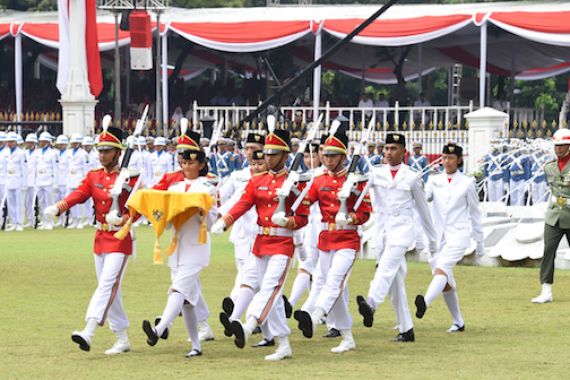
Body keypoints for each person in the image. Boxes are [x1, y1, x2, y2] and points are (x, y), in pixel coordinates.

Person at [212, 129, 310, 361]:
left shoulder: (295, 182)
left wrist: (287, 220)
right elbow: (243, 203)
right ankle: (283, 343)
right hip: (260, 242)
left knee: (270, 288)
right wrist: (225, 221)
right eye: (266, 153)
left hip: (282, 242)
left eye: (274, 154)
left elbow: (303, 217)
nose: (268, 158)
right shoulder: (258, 180)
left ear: (285, 155)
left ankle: (248, 325)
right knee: (266, 292)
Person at [43, 125, 137, 354]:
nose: (102, 155)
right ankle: (122, 337)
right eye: (100, 150)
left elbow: (140, 207)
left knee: (106, 284)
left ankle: (89, 329)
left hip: (120, 238)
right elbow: (79, 194)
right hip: (100, 237)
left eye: (107, 151)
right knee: (109, 289)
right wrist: (59, 207)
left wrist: (123, 216)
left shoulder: (129, 176)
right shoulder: (94, 176)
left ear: (117, 152)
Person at [141, 129, 218, 358]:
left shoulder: (207, 187)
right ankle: (196, 345)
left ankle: (159, 329)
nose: (186, 167)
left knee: (178, 289)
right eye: (183, 162)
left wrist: (203, 210)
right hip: (177, 246)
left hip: (196, 246)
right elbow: (164, 219)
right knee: (188, 301)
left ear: (201, 165)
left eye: (191, 163)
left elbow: (213, 221)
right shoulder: (174, 189)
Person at [294, 130, 371, 353]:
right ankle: (347, 337)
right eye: (325, 155)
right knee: (327, 283)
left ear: (343, 157)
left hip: (347, 237)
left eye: (332, 156)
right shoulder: (320, 179)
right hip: (326, 238)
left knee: (335, 280)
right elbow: (306, 203)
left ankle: (316, 315)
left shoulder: (355, 179)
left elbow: (366, 212)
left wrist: (350, 217)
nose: (327, 160)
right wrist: (292, 192)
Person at [356, 133, 436, 342]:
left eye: (393, 148)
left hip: (402, 231)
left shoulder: (411, 176)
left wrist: (432, 241)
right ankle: (406, 329)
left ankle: (371, 304)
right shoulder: (376, 173)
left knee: (386, 268)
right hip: (382, 232)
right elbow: (359, 192)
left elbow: (423, 210)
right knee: (395, 282)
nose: (388, 152)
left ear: (404, 152)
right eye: (386, 148)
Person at [414, 144, 484, 332]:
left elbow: (475, 213)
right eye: (444, 157)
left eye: (451, 158)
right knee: (445, 282)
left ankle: (425, 303)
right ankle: (458, 321)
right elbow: (424, 198)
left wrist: (480, 242)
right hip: (437, 237)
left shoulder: (467, 182)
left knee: (442, 269)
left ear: (459, 160)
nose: (447, 162)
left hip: (458, 235)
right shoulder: (434, 180)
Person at [532, 128, 570, 303]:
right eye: (556, 146)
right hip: (554, 214)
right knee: (548, 251)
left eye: (562, 146)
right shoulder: (549, 167)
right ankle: (546, 289)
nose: (558, 149)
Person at [66, 134, 88, 228]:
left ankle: (79, 220)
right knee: (70, 200)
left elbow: (86, 169)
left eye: (75, 143)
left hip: (79, 178)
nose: (73, 144)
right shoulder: (69, 152)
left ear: (79, 143)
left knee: (78, 200)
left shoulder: (83, 154)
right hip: (70, 178)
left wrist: (84, 180)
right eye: (72, 143)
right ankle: (74, 219)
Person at [4, 132, 26, 232]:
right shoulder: (6, 152)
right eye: (8, 142)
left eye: (12, 142)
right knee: (10, 203)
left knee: (18, 203)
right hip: (8, 180)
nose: (10, 144)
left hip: (17, 180)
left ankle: (19, 223)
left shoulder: (21, 153)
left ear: (16, 142)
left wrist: (24, 183)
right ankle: (13, 223)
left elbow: (24, 169)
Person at [36, 132, 58, 230]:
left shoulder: (53, 153)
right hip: (39, 180)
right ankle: (44, 221)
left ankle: (50, 222)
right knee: (41, 202)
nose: (42, 143)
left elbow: (55, 168)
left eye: (44, 141)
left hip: (49, 180)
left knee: (49, 202)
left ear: (48, 142)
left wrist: (55, 182)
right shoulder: (38, 152)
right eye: (41, 141)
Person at [23, 133, 40, 228]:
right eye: (27, 142)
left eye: (30, 142)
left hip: (35, 181)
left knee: (35, 203)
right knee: (26, 202)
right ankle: (29, 220)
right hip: (26, 182)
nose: (28, 144)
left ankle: (35, 220)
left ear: (34, 143)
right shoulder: (24, 153)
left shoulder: (38, 153)